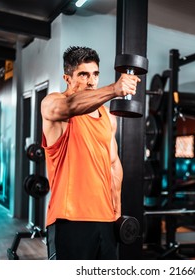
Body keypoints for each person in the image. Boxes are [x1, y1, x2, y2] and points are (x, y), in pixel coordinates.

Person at [40, 46, 140, 260]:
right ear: (67, 78)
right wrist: (114, 89)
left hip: (105, 220)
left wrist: (117, 213)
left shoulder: (107, 117)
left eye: (95, 74)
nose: (91, 81)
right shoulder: (53, 104)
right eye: (83, 74)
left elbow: (113, 165)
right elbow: (70, 106)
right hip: (69, 220)